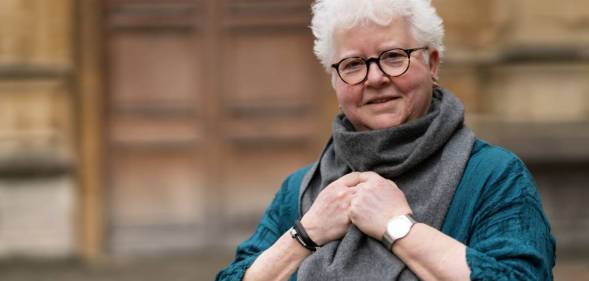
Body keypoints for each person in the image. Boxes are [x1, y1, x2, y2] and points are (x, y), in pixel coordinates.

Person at [216, 0, 555, 280]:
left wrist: (397, 228)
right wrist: (306, 234)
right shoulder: (300, 191)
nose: (375, 78)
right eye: (353, 64)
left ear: (432, 62)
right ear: (335, 81)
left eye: (394, 56)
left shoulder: (494, 176)